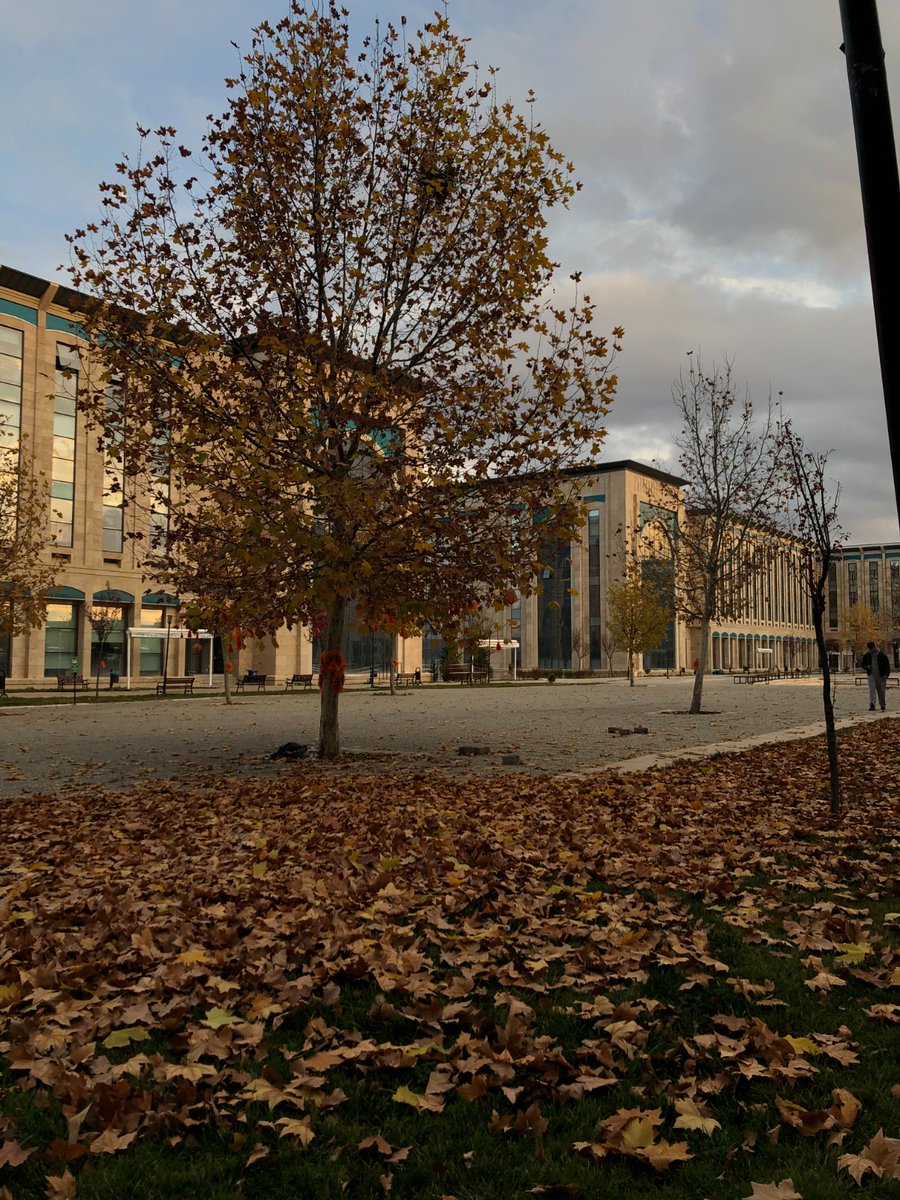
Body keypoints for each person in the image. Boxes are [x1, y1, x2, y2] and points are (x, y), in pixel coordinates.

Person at [861, 640, 891, 711]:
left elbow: (887, 665)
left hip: (881, 675)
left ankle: (882, 704)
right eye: (869, 649)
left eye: (871, 649)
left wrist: (886, 675)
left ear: (874, 647)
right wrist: (867, 667)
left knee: (881, 690)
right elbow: (862, 664)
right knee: (872, 689)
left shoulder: (882, 655)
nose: (870, 650)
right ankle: (872, 704)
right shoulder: (867, 655)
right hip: (871, 674)